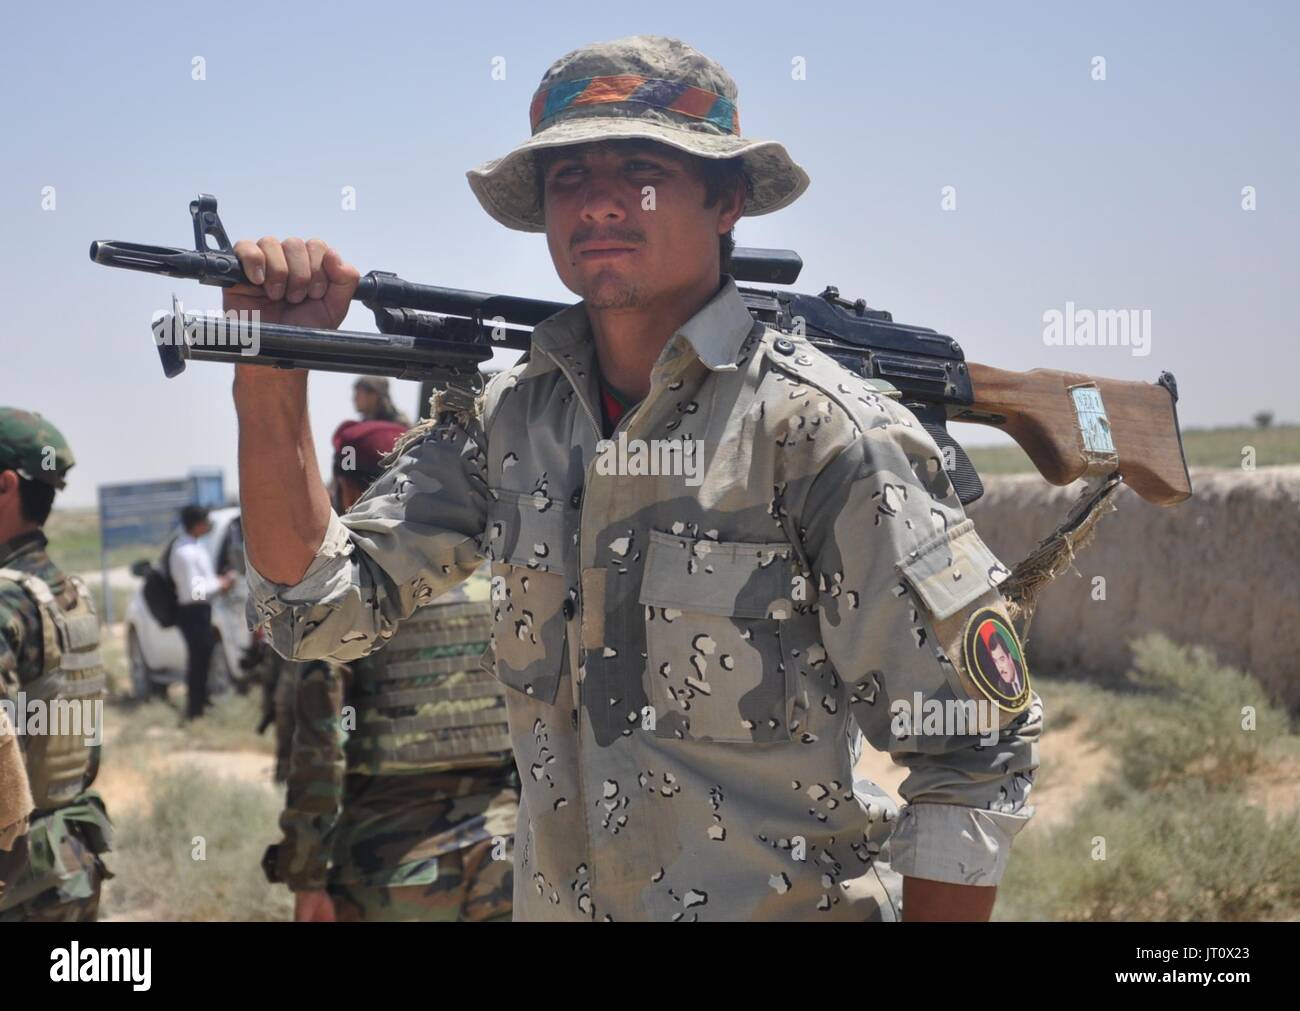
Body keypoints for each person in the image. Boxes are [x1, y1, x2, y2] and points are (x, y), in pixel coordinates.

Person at [231, 35, 1042, 921]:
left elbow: (973, 749)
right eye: (569, 177)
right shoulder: (512, 423)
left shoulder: (819, 434)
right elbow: (315, 612)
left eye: (642, 166)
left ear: (727, 197)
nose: (602, 201)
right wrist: (271, 369)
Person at [264, 419, 516, 922]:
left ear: (350, 489)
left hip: (393, 866)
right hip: (505, 853)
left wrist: (308, 876)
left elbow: (320, 752)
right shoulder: (494, 582)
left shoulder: (347, 600)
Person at [0, 408, 112, 921]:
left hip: (17, 879)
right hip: (69, 857)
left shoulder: (8, 602)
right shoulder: (67, 593)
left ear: (5, 486)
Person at [169, 504, 235, 720]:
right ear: (197, 525)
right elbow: (195, 591)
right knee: (198, 660)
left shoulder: (194, 547)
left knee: (204, 659)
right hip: (193, 612)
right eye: (205, 521)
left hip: (200, 611)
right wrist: (222, 584)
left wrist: (217, 582)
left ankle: (201, 704)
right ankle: (194, 710)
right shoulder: (185, 553)